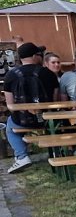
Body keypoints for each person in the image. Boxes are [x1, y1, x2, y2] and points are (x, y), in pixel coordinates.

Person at [3, 42, 59, 173]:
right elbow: (56, 100)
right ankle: (58, 152)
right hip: (48, 119)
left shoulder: (10, 76)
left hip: (22, 121)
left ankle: (22, 157)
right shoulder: (48, 74)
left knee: (10, 128)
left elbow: (10, 105)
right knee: (57, 121)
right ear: (34, 56)